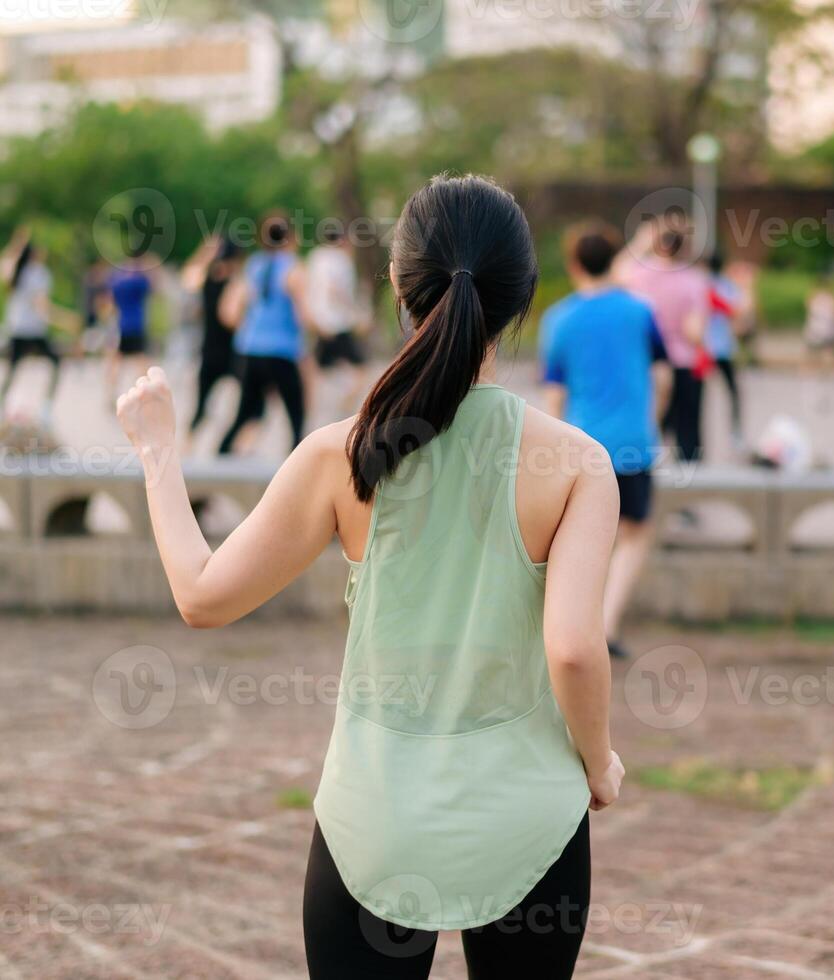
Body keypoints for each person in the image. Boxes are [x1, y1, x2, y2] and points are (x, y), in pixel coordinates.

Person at [114, 175, 622, 979]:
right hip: (528, 821)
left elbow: (202, 596)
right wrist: (598, 762)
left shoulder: (339, 453)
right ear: (523, 293)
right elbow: (571, 649)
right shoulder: (578, 463)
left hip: (373, 823)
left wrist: (157, 455)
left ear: (396, 285)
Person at [543, 221, 671, 660]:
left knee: (579, 539)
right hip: (634, 442)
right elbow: (663, 375)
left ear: (573, 264)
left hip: (581, 445)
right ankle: (607, 625)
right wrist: (649, 423)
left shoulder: (558, 318)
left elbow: (554, 393)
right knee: (634, 534)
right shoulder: (639, 311)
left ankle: (570, 625)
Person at [217, 213, 310, 455]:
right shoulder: (293, 267)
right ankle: (298, 478)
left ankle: (217, 465)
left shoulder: (253, 265)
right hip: (282, 351)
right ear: (290, 237)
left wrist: (252, 330)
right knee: (297, 418)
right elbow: (303, 315)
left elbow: (229, 312)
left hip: (249, 349)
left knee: (243, 414)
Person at [619, 223, 708, 463]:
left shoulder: (638, 274)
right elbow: (694, 331)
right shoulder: (694, 280)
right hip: (684, 364)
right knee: (688, 431)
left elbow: (614, 272)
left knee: (650, 427)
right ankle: (690, 489)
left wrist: (639, 243)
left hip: (647, 363)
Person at [0, 230, 75, 426]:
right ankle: (46, 408)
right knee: (56, 364)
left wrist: (17, 242)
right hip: (32, 330)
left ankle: (2, 405)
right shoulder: (39, 273)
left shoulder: (16, 271)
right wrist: (65, 320)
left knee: (12, 369)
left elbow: (5, 260)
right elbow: (42, 307)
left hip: (16, 328)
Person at [182, 236, 244, 444]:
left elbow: (187, 278)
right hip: (235, 353)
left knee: (200, 409)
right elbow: (231, 318)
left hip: (208, 351)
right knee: (252, 406)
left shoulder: (206, 279)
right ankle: (231, 447)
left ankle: (185, 449)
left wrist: (205, 252)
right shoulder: (236, 283)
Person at [306, 225, 369, 417]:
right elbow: (336, 290)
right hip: (338, 323)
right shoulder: (341, 260)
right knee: (360, 371)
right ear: (343, 240)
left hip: (319, 323)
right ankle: (344, 410)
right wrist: (356, 314)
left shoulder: (316, 257)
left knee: (316, 366)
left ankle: (313, 406)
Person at [705, 251, 747, 450]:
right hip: (723, 348)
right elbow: (738, 312)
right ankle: (735, 434)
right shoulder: (727, 286)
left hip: (703, 349)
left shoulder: (699, 285)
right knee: (733, 393)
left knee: (697, 398)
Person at [102, 255, 156, 408]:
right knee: (141, 360)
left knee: (115, 362)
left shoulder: (117, 279)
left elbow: (110, 301)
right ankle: (145, 394)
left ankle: (110, 393)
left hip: (120, 325)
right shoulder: (139, 280)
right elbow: (153, 289)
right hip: (136, 325)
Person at [802, 274, 834, 407]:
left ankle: (810, 376)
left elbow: (808, 308)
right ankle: (826, 372)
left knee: (811, 354)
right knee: (828, 353)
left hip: (814, 331)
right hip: (829, 331)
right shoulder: (833, 298)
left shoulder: (814, 297)